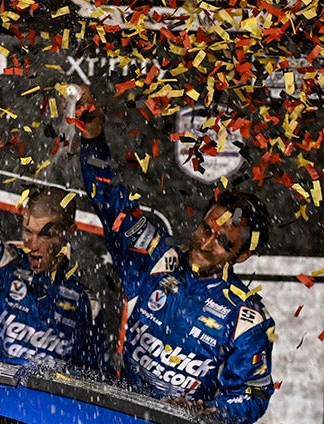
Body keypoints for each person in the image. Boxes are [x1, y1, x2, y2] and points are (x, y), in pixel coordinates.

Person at [76, 88, 275, 424]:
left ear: (242, 256)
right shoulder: (154, 254)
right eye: (206, 228)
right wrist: (93, 138)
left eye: (223, 243)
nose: (205, 243)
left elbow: (252, 395)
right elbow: (109, 201)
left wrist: (208, 412)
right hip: (119, 415)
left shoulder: (246, 317)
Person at [0, 185, 108, 377]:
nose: (32, 245)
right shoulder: (1, 262)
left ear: (69, 233)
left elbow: (93, 379)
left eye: (45, 235)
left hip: (40, 396)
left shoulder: (86, 303)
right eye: (28, 231)